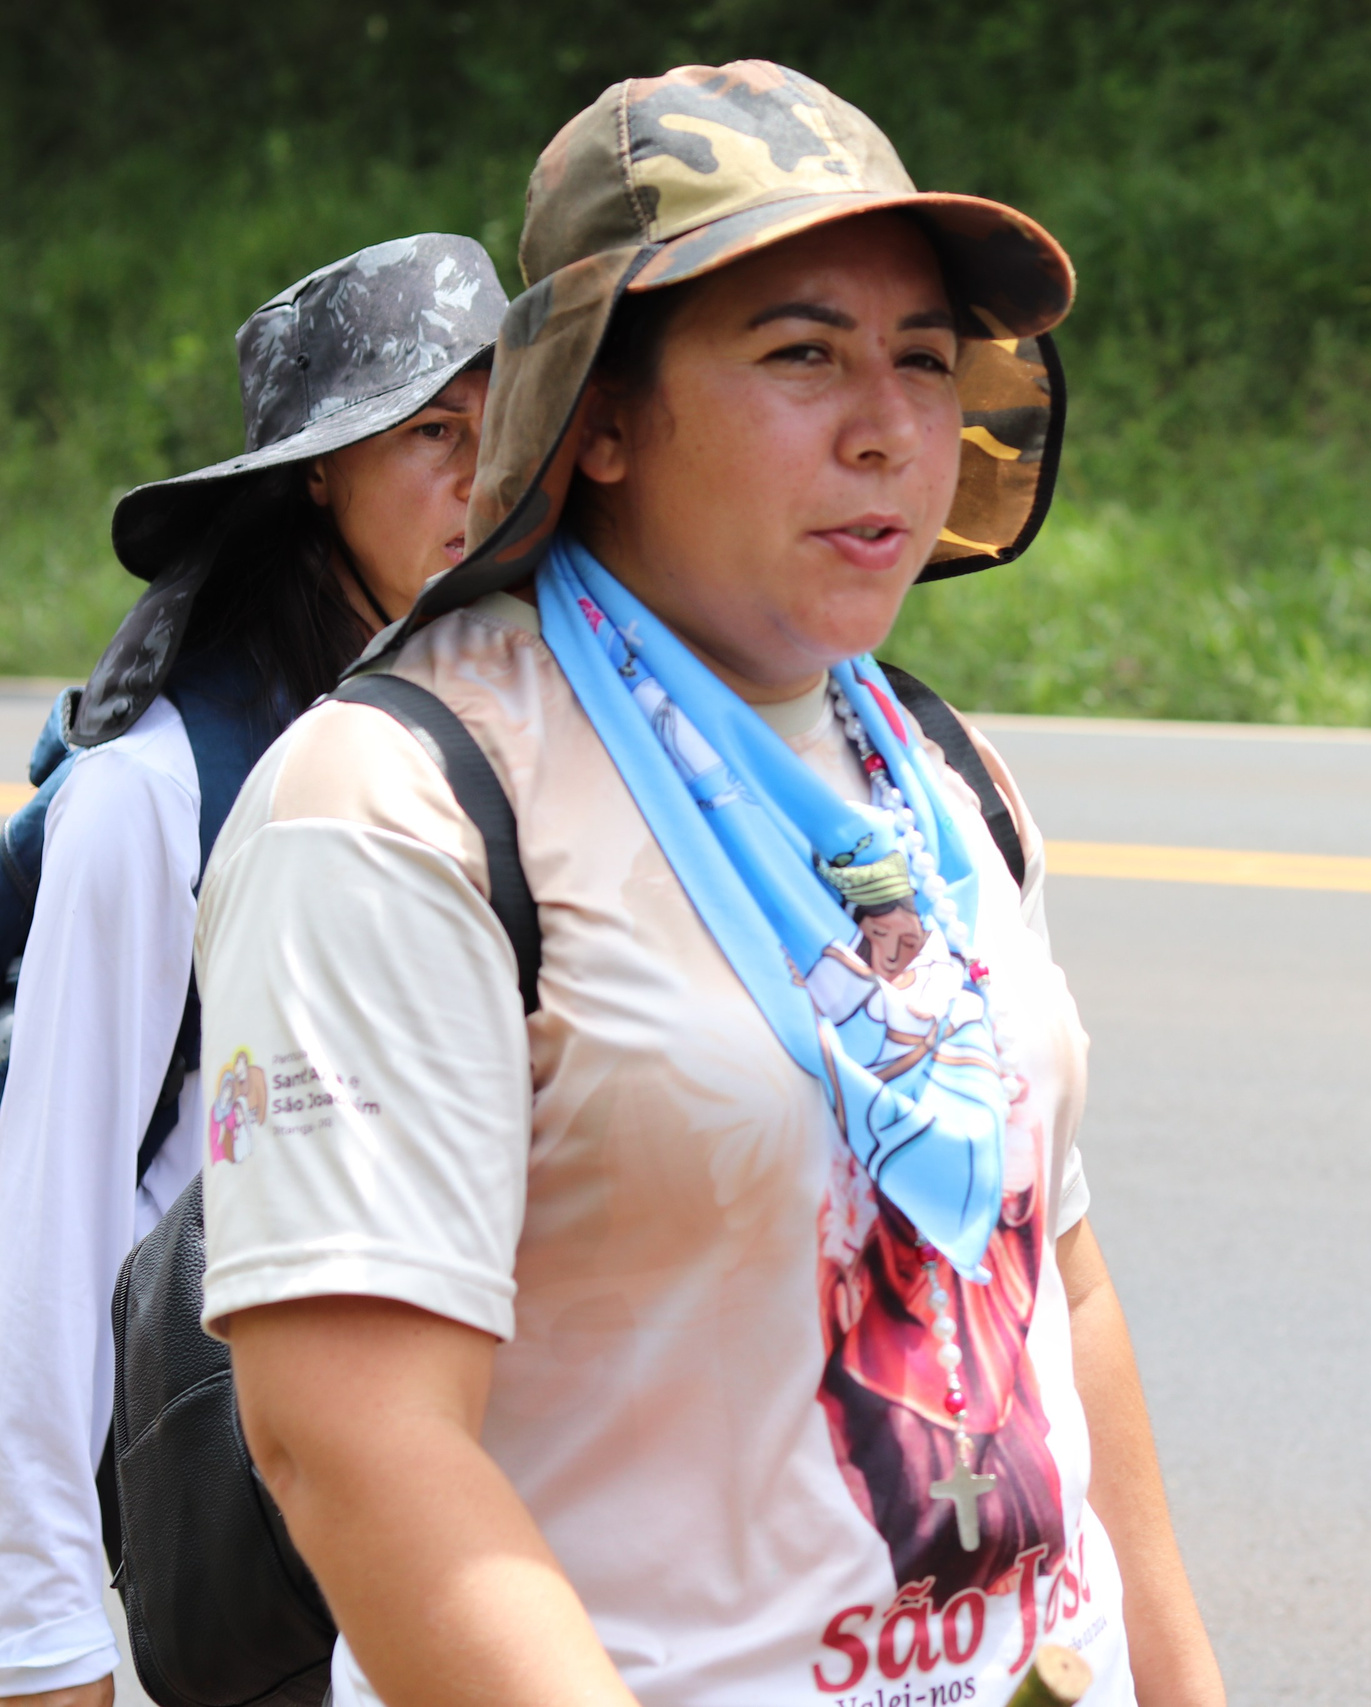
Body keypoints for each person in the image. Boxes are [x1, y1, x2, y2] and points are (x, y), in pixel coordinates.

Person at [196, 62, 1225, 1707]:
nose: (889, 426)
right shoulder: (405, 804)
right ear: (596, 414)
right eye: (802, 353)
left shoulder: (936, 777)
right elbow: (353, 1441)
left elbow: (1058, 1279)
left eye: (924, 359)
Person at [0, 233, 504, 1707]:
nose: (479, 477)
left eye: (503, 428)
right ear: (317, 477)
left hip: (443, 1431)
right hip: (228, 1474)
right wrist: (39, 1629)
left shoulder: (500, 719)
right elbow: (49, 1227)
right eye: (430, 433)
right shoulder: (151, 793)